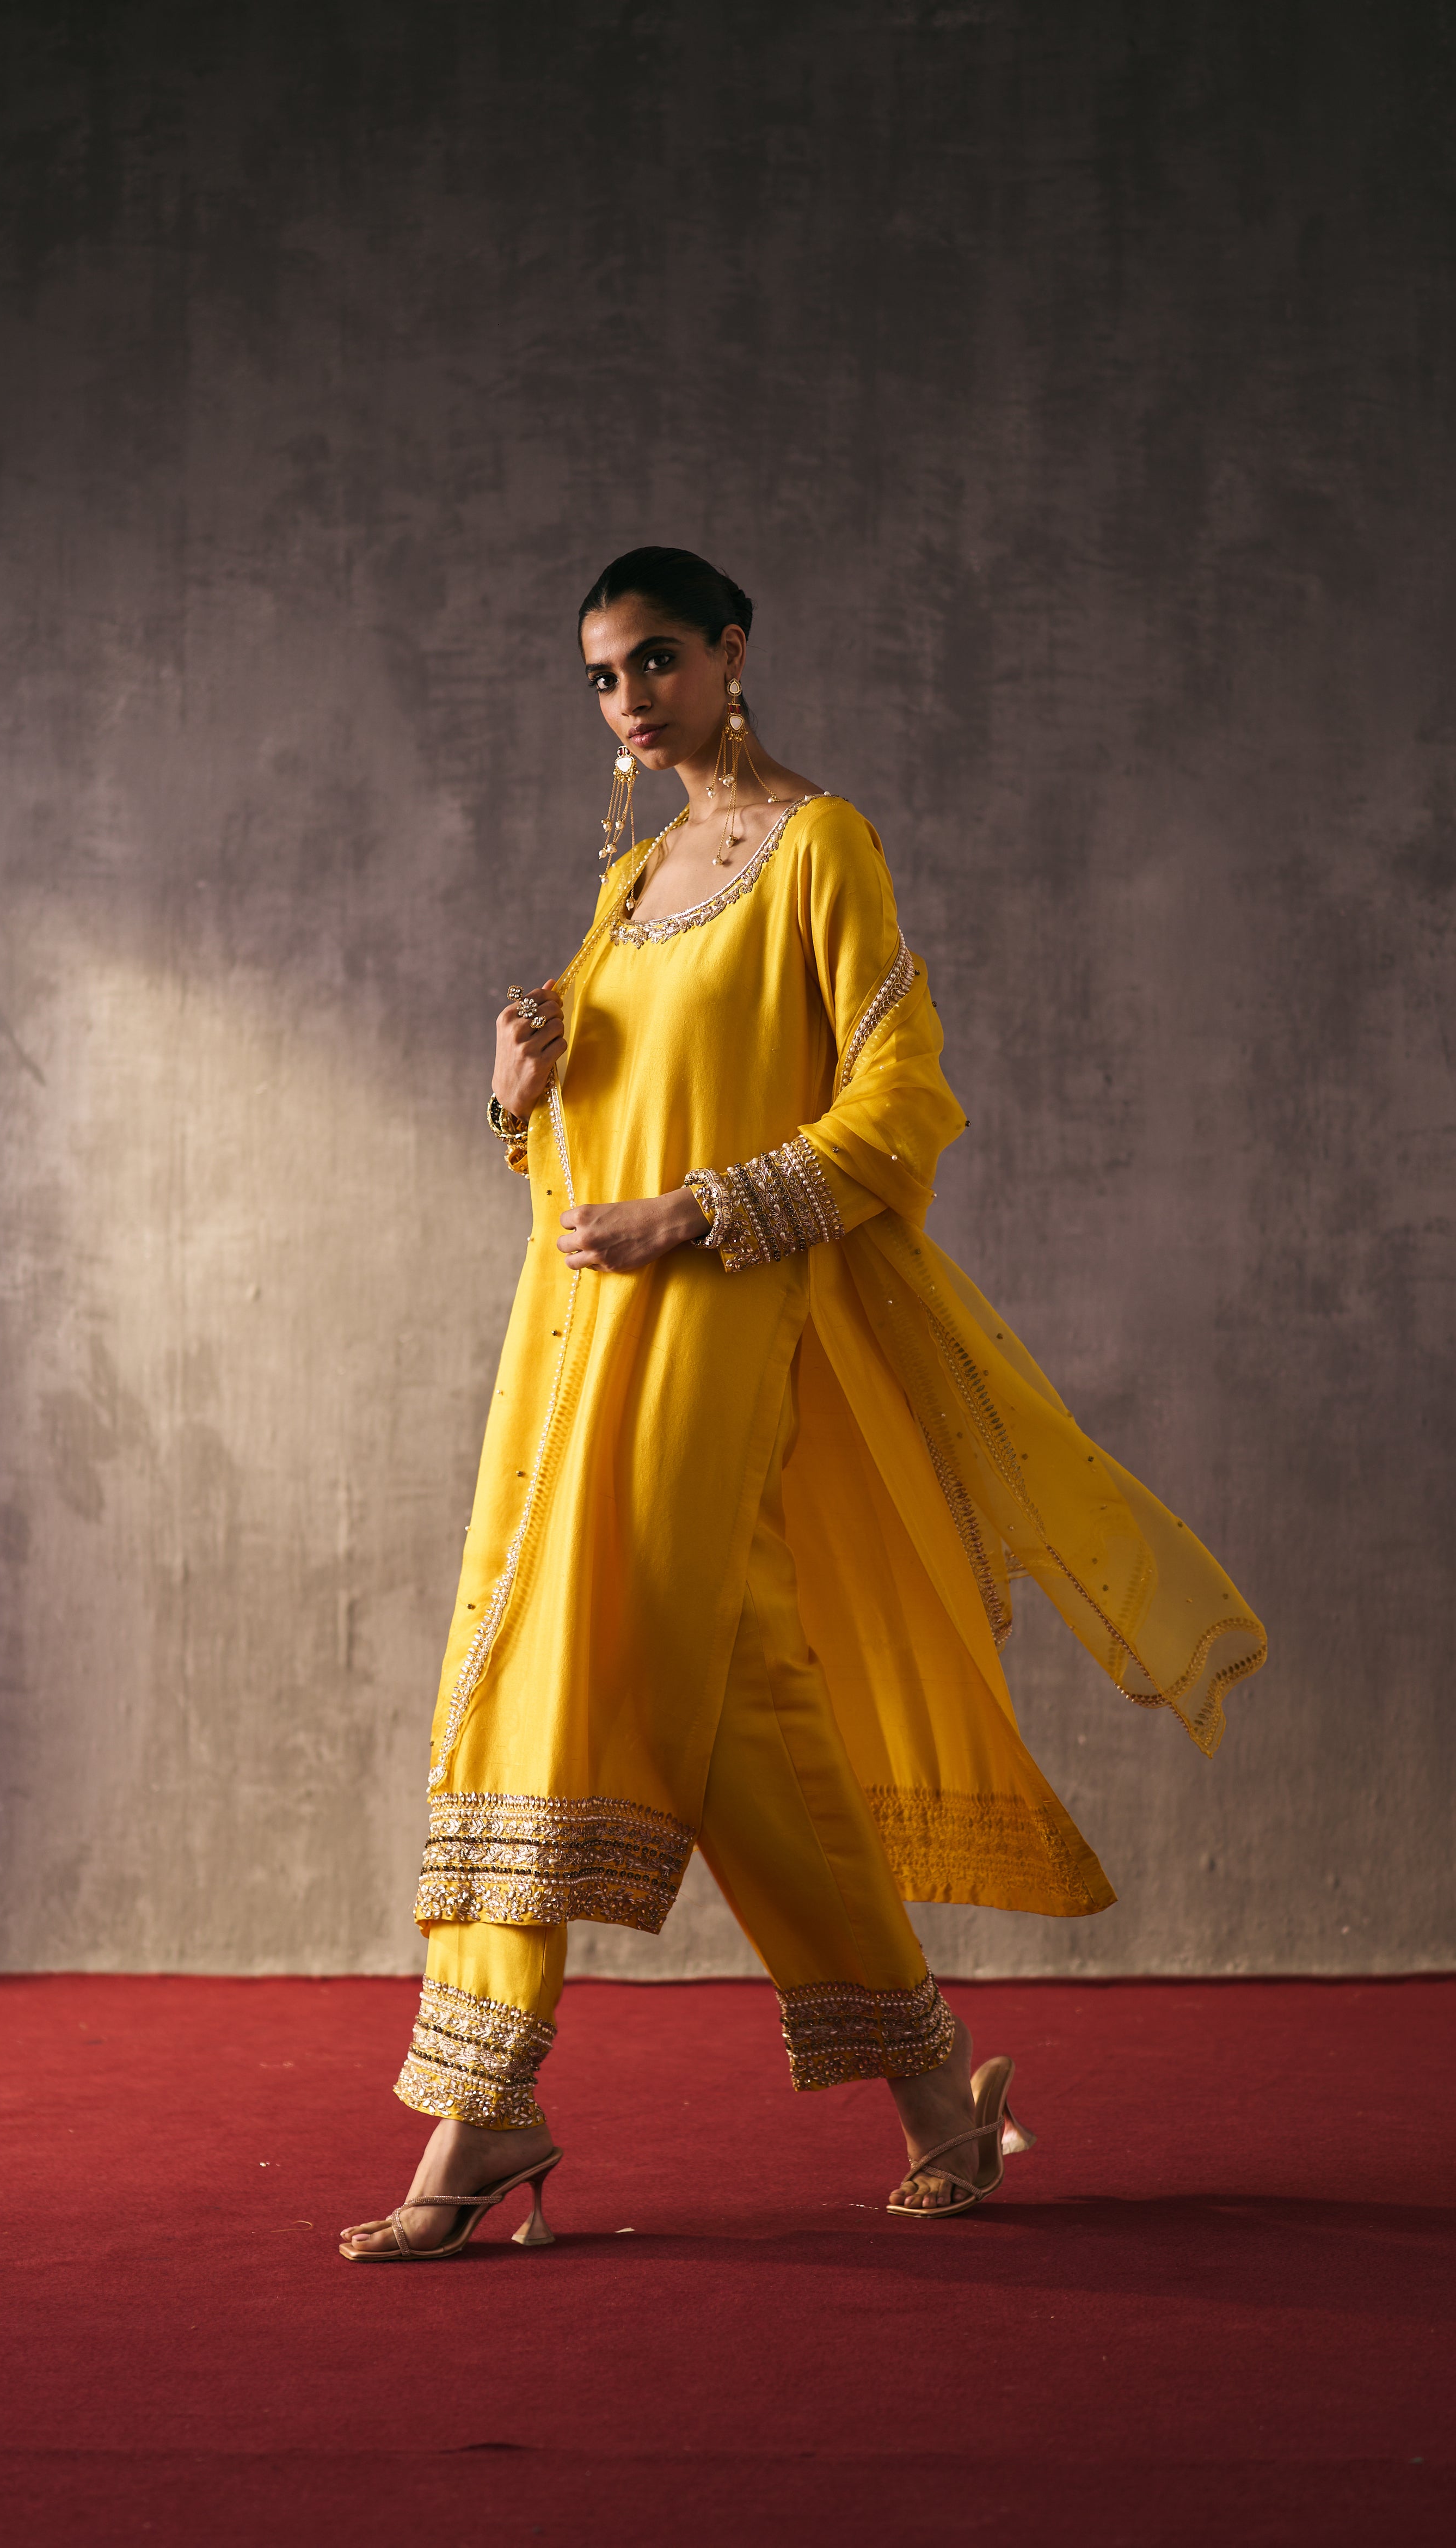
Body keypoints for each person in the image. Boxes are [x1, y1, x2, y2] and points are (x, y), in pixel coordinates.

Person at [340, 547, 1265, 2259]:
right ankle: (917, 2101)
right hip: (575, 1338)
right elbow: (583, 1140)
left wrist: (693, 1216)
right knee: (700, 1692)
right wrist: (515, 1095)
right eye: (604, 676)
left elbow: (897, 1109)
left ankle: (480, 2120)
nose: (632, 699)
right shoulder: (629, 882)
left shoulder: (821, 847)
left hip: (722, 1321)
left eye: (658, 659)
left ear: (733, 652)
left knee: (595, 1658)